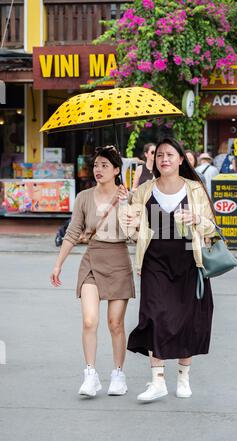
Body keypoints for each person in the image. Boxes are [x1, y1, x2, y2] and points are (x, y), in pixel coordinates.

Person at [118, 137, 216, 402]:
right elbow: (130, 230)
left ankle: (183, 377)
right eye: (159, 155)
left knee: (187, 319)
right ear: (154, 160)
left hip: (188, 261)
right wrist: (124, 212)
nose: (164, 159)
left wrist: (197, 219)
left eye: (170, 155)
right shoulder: (143, 190)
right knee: (154, 316)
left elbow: (213, 229)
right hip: (154, 262)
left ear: (181, 159)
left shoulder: (195, 189)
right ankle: (157, 380)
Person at [50, 145, 135, 398]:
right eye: (96, 165)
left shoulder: (127, 197)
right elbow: (73, 233)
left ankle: (118, 374)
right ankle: (90, 375)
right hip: (92, 260)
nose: (98, 169)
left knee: (115, 323)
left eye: (105, 165)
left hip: (119, 260)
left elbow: (134, 235)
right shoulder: (84, 197)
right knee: (89, 320)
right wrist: (58, 264)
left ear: (117, 170)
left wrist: (125, 207)